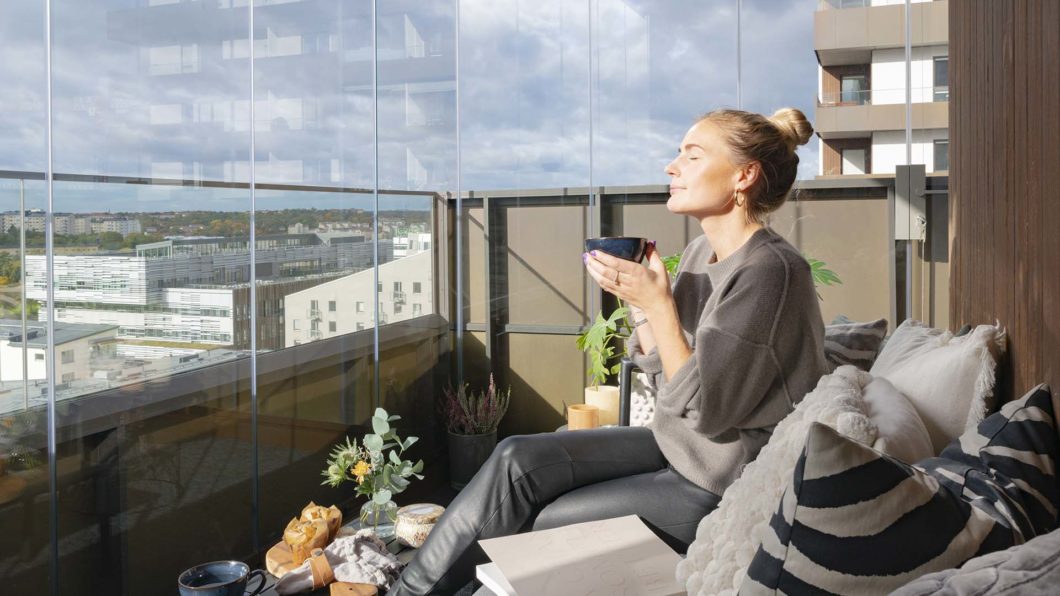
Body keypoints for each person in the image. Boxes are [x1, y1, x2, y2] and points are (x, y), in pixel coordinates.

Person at [386, 108, 829, 595]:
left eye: (692, 154)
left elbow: (707, 409)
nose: (672, 166)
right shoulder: (705, 253)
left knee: (539, 521)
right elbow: (668, 374)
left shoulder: (772, 272)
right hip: (673, 445)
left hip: (719, 479)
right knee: (516, 457)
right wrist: (639, 304)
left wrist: (657, 303)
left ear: (744, 175)